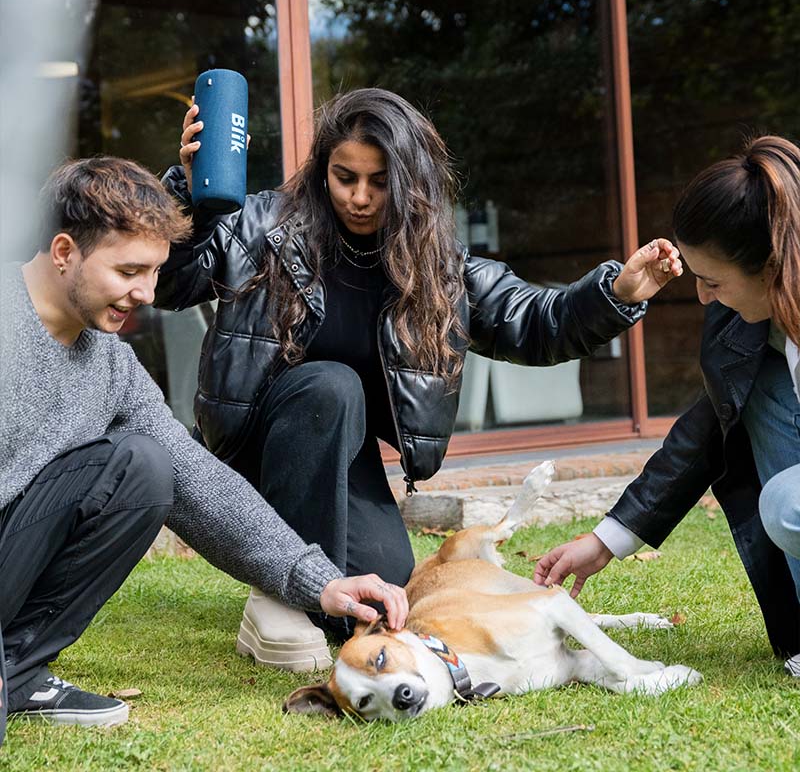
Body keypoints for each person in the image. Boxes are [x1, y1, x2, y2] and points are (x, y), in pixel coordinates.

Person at [156, 87, 681, 658]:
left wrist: (617, 293)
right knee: (331, 384)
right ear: (322, 170)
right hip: (253, 447)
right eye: (344, 177)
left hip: (340, 452)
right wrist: (186, 193)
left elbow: (534, 322)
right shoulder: (262, 224)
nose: (360, 197)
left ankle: (311, 590)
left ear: (408, 182)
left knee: (389, 588)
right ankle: (279, 599)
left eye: (380, 182)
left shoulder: (435, 266)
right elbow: (167, 284)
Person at [0, 157, 408, 738]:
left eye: (153, 271)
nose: (146, 293)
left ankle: (17, 669)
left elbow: (200, 483)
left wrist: (321, 582)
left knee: (146, 466)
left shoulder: (112, 365)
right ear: (65, 251)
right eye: (129, 271)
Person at [534, 134, 800, 678]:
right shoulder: (743, 323)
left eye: (712, 281)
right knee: (779, 476)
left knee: (787, 503)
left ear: (771, 266)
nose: (701, 296)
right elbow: (704, 432)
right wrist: (605, 540)